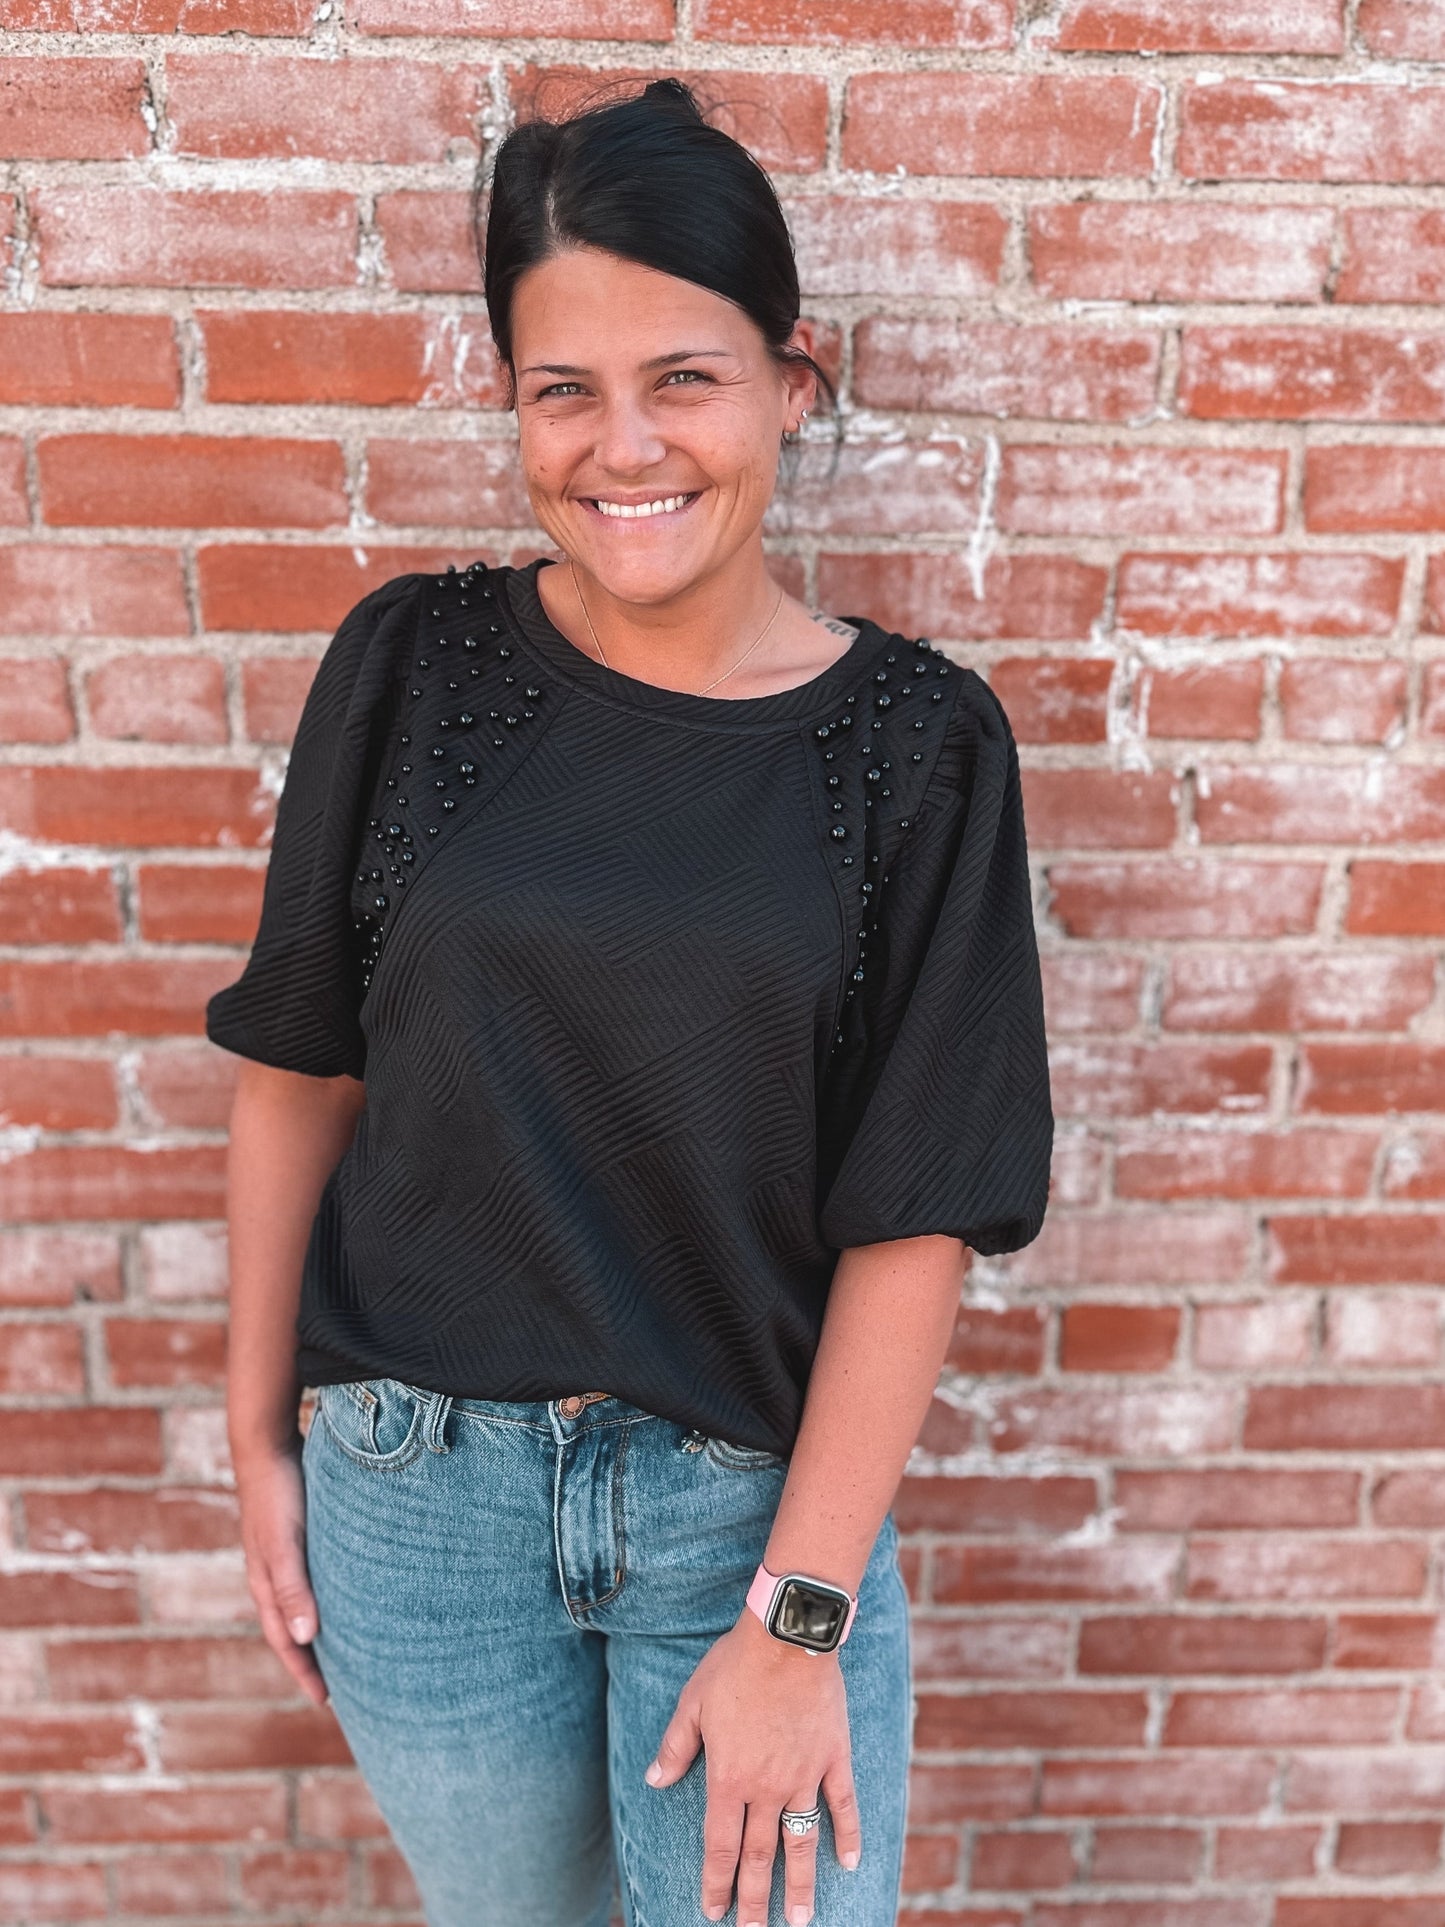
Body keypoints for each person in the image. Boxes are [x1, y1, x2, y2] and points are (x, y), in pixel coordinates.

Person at [207, 77, 1053, 1927]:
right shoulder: (408, 662)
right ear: (509, 401)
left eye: (684, 376)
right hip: (415, 1497)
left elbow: (916, 1216)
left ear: (789, 383)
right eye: (559, 389)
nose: (622, 444)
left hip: (743, 1527)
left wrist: (800, 1617)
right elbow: (296, 1063)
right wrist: (255, 1431)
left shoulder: (917, 750)